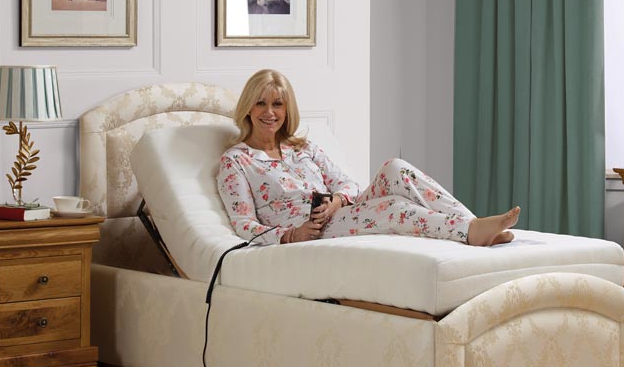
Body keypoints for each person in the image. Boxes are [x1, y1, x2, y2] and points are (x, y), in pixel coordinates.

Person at [217, 69, 520, 246]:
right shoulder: (236, 162)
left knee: (394, 167)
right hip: (314, 232)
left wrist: (336, 201)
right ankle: (469, 232)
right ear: (248, 108)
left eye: (277, 104)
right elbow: (244, 224)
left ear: (287, 109)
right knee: (393, 208)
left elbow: (347, 183)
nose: (270, 113)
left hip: (339, 212)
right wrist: (292, 235)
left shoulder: (303, 148)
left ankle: (473, 224)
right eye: (261, 103)